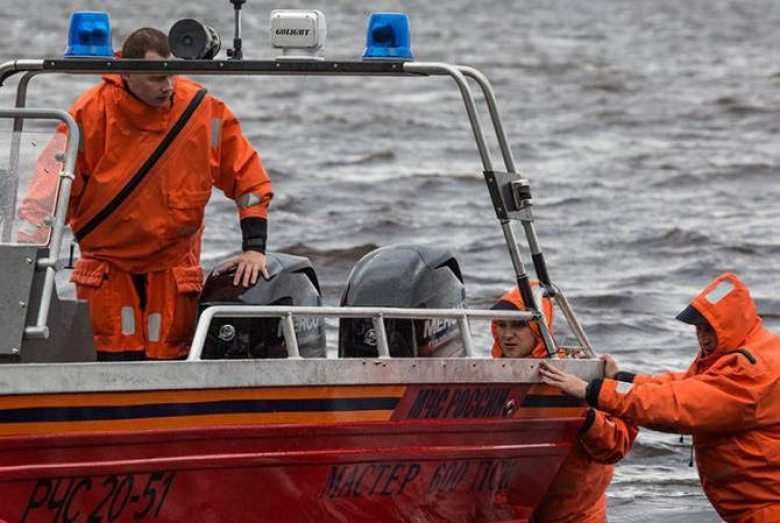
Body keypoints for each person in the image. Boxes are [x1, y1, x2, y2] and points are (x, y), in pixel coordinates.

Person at [49, 28, 273, 361]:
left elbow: (249, 181)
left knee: (172, 363)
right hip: (108, 272)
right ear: (126, 73)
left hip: (173, 271)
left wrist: (254, 248)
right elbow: (50, 193)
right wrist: (32, 258)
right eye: (156, 78)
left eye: (172, 75)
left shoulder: (202, 110)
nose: (167, 85)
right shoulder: (90, 113)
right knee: (109, 365)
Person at [539, 272, 780, 522]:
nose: (703, 338)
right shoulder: (750, 352)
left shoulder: (751, 370)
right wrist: (622, 378)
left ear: (732, 325)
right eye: (699, 329)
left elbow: (675, 404)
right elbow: (681, 386)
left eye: (710, 329)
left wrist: (592, 391)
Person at [492, 286, 638, 523]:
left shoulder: (576, 372)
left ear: (538, 327)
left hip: (577, 514)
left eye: (518, 325)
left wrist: (584, 416)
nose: (507, 335)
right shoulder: (489, 378)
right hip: (515, 512)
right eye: (501, 325)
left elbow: (616, 445)